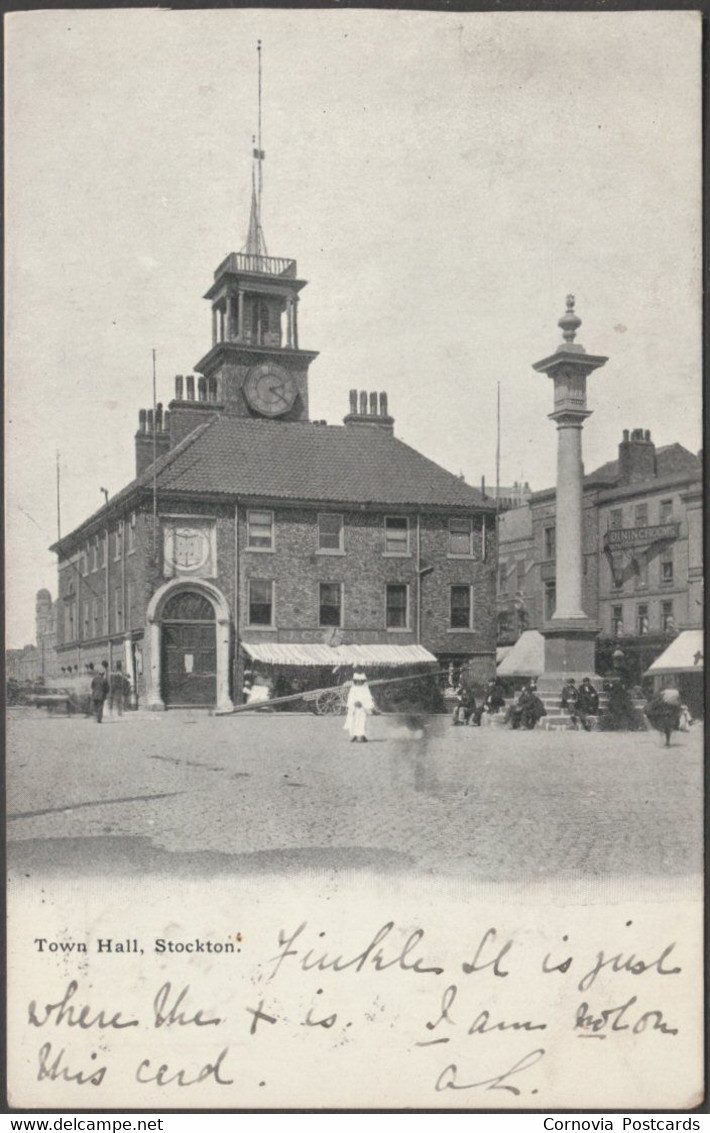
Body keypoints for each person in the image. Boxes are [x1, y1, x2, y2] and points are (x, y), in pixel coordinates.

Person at [344, 671, 375, 742]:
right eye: (357, 681)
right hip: (354, 708)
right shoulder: (353, 688)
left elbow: (368, 697)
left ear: (363, 681)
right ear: (355, 681)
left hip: (362, 708)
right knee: (353, 721)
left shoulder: (365, 688)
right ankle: (354, 735)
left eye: (360, 681)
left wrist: (363, 704)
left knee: (362, 721)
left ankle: (362, 735)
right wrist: (351, 705)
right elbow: (350, 697)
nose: (359, 682)